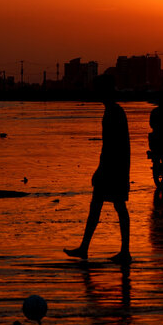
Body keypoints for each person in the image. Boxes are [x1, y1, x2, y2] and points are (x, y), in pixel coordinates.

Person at [66, 77, 132, 263]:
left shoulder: (114, 112)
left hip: (113, 168)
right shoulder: (113, 111)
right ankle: (87, 248)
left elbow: (112, 145)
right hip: (116, 166)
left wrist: (100, 169)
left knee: (112, 207)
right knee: (104, 206)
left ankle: (122, 251)